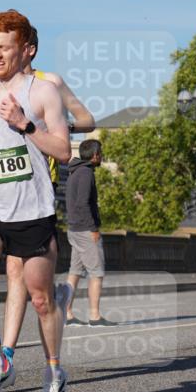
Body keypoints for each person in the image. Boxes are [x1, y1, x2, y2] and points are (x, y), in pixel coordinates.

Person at [0, 27, 95, 379]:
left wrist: (44, 125)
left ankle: (16, 348)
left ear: (28, 49)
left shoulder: (50, 83)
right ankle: (3, 354)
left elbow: (86, 122)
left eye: (5, 46)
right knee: (7, 273)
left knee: (25, 277)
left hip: (39, 182)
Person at [64, 139, 115, 326]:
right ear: (94, 155)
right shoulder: (86, 173)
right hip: (85, 230)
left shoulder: (76, 171)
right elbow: (83, 203)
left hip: (74, 228)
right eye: (100, 153)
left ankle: (66, 313)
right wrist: (93, 229)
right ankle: (94, 316)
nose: (101, 156)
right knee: (97, 272)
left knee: (75, 271)